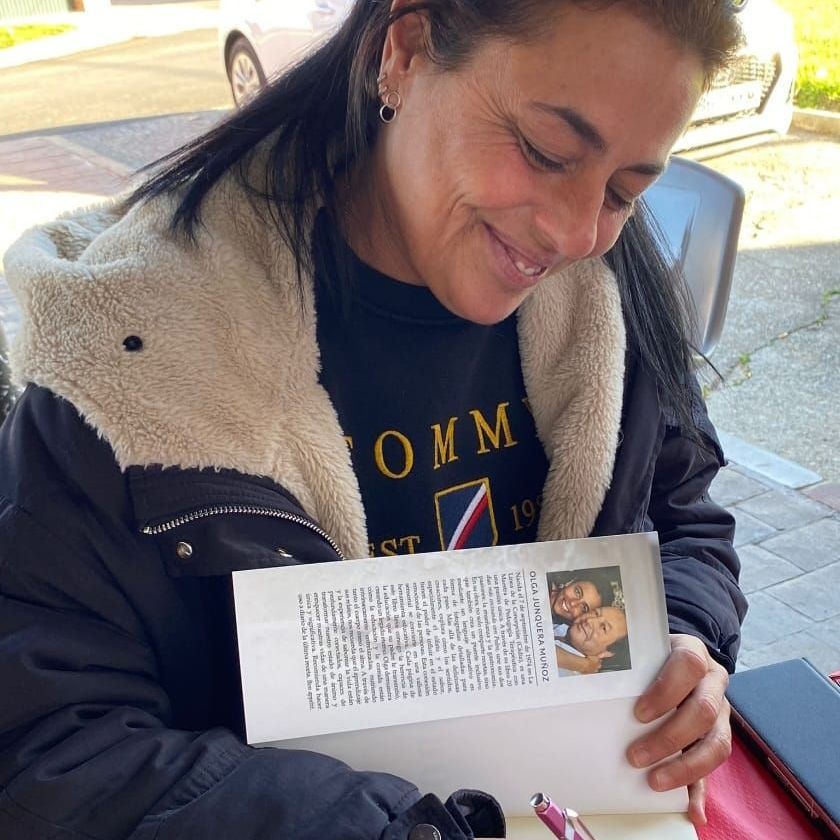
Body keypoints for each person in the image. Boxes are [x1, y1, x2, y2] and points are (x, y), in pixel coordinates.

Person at [0, 1, 748, 837]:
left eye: (623, 191)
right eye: (545, 152)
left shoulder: (606, 296)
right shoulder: (126, 352)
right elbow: (48, 753)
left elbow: (681, 512)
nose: (576, 234)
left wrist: (685, 640)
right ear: (406, 51)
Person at [555, 606, 630, 676]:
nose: (590, 620)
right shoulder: (560, 627)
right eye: (596, 613)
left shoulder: (564, 674)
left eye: (603, 628)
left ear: (606, 653)